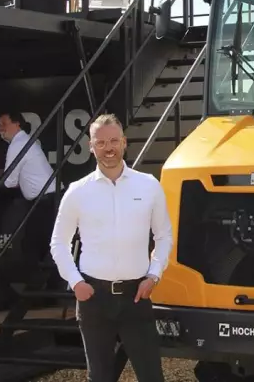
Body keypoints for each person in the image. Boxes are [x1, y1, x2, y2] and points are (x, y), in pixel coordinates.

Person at [49, 113, 173, 382]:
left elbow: (164, 235)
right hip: (94, 298)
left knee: (152, 376)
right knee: (100, 377)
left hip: (136, 296)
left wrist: (154, 275)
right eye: (101, 142)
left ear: (124, 142)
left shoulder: (149, 185)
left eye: (114, 140)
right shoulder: (77, 192)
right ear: (91, 147)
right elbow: (58, 242)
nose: (109, 148)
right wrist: (75, 282)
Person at [0, 112, 59, 276]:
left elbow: (9, 181)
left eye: (4, 123)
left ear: (17, 124)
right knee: (42, 244)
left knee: (32, 245)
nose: (0, 129)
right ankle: (45, 288)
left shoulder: (18, 144)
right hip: (48, 198)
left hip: (46, 200)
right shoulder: (24, 141)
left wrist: (2, 178)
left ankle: (40, 288)